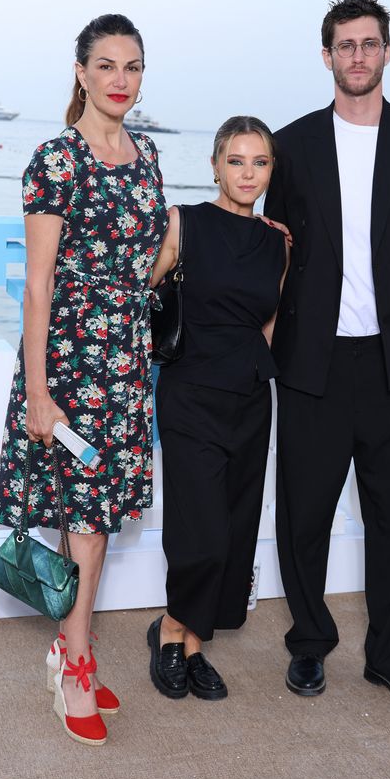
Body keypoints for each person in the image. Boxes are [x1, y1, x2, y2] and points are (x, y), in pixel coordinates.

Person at [264, 0, 390, 712]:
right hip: (313, 363)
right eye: (345, 45)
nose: (357, 56)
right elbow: (275, 255)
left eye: (369, 43)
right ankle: (309, 643)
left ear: (386, 52)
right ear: (327, 56)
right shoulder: (291, 145)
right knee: (304, 515)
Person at [0, 14, 167, 744]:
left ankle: (71, 650)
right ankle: (75, 666)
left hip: (125, 364)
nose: (120, 80)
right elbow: (38, 285)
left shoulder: (147, 153)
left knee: (96, 519)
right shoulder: (56, 161)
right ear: (81, 73)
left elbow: (150, 264)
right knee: (88, 525)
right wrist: (38, 393)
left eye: (132, 66)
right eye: (106, 65)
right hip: (69, 367)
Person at [147, 116, 289, 700]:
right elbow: (143, 295)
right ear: (214, 166)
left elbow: (270, 321)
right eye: (236, 161)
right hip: (190, 393)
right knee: (199, 530)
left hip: (250, 398)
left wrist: (253, 367)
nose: (247, 173)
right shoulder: (183, 223)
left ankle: (194, 643)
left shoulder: (277, 242)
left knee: (232, 529)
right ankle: (169, 630)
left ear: (271, 171)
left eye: (259, 162)